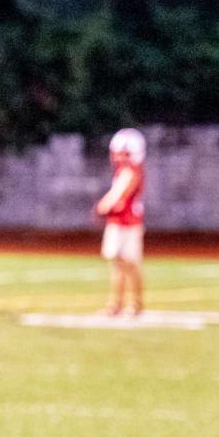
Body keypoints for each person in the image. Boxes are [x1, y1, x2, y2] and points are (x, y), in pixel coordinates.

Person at [96, 128, 146, 316]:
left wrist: (104, 205)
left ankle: (135, 304)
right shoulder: (123, 171)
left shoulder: (131, 171)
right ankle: (116, 304)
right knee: (118, 265)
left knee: (130, 264)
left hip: (128, 224)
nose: (117, 157)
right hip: (119, 223)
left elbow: (119, 193)